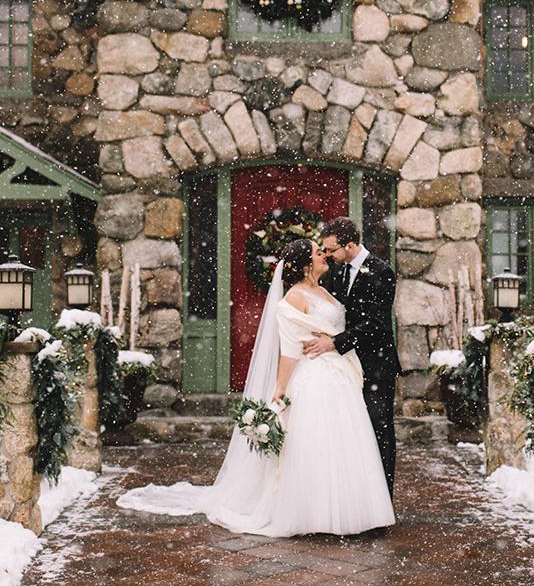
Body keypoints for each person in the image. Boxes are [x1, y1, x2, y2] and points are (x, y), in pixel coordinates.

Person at [117, 239, 395, 537]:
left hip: (339, 377)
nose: (324, 255)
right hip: (315, 378)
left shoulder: (325, 290)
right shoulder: (295, 298)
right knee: (317, 444)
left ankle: (351, 510)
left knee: (345, 444)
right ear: (305, 265)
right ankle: (313, 513)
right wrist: (280, 388)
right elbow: (290, 350)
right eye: (317, 253)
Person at [304, 217, 399, 495]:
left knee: (379, 429)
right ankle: (357, 497)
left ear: (350, 244)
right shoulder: (339, 271)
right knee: (353, 431)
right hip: (345, 367)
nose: (328, 255)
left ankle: (382, 499)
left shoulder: (382, 272)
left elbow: (376, 323)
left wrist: (335, 343)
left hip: (376, 364)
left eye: (332, 250)